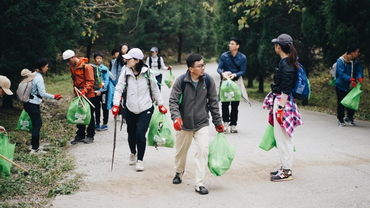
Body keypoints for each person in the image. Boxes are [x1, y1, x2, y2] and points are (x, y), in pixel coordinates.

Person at [169, 53, 224, 195]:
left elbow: (213, 103)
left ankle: (199, 183)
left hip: (201, 123)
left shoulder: (208, 81)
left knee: (203, 151)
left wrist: (218, 122)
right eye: (199, 66)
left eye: (203, 65)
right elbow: (173, 101)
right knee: (181, 152)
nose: (203, 68)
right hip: (183, 124)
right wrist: (176, 118)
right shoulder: (181, 81)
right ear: (191, 68)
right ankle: (179, 172)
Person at [111, 48, 167, 171]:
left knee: (140, 134)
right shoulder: (125, 72)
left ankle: (140, 160)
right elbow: (119, 88)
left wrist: (161, 104)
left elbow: (155, 89)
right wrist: (115, 105)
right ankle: (133, 152)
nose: (125, 60)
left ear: (137, 60)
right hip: (130, 108)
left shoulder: (147, 72)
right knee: (131, 134)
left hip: (146, 108)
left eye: (129, 58)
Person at [263, 33, 303, 181]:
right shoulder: (287, 62)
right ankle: (285, 166)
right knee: (282, 137)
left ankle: (287, 171)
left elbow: (286, 89)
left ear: (278, 47)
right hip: (283, 102)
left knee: (284, 138)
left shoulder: (287, 65)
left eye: (275, 45)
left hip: (283, 103)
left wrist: (280, 108)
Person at [22, 60, 62, 153]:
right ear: (42, 67)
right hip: (33, 104)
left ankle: (33, 146)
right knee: (37, 124)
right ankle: (35, 148)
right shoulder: (38, 78)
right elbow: (42, 93)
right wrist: (54, 97)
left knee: (36, 124)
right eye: (46, 66)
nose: (47, 68)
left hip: (27, 103)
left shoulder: (32, 74)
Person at [63, 49, 96, 144]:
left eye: (69, 60)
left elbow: (91, 81)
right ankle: (80, 135)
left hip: (89, 94)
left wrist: (84, 90)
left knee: (89, 115)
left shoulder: (86, 67)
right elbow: (74, 80)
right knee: (79, 113)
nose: (68, 63)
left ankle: (90, 135)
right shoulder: (72, 67)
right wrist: (76, 92)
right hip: (78, 93)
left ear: (73, 57)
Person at [217, 37, 247, 133]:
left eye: (232, 44)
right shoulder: (224, 56)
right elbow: (219, 68)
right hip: (225, 82)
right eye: (229, 43)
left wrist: (235, 74)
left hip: (236, 82)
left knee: (235, 104)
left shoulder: (243, 58)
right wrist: (222, 74)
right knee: (224, 103)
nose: (230, 45)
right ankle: (225, 123)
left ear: (237, 46)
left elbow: (242, 71)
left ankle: (233, 125)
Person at [335, 43, 363, 126]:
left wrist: (360, 77)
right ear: (352, 52)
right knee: (341, 103)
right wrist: (350, 79)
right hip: (341, 85)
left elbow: (359, 69)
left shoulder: (356, 60)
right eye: (357, 51)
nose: (358, 53)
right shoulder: (341, 60)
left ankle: (349, 117)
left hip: (352, 85)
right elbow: (340, 73)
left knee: (352, 101)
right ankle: (340, 119)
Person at [93, 52, 110, 131]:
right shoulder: (92, 68)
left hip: (103, 91)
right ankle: (97, 123)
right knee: (96, 107)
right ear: (94, 59)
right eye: (97, 58)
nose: (99, 60)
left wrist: (101, 90)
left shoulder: (105, 68)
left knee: (104, 107)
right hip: (95, 90)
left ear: (102, 59)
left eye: (100, 58)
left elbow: (106, 81)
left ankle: (105, 123)